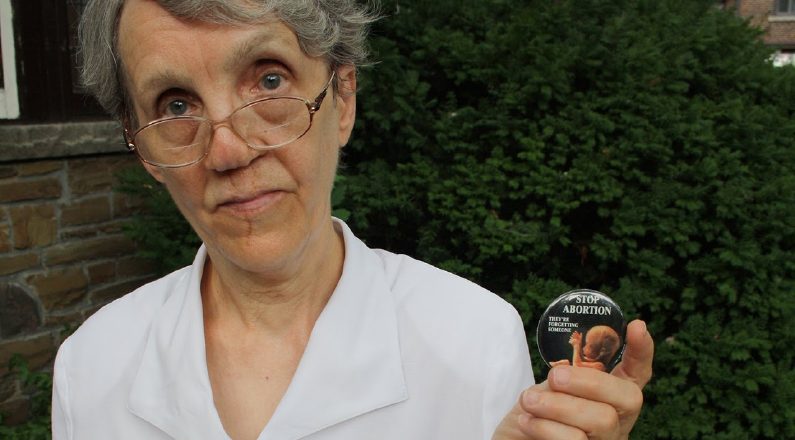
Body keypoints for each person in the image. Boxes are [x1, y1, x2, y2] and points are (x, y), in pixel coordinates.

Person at [52, 1, 654, 439]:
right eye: (177, 105)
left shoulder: (474, 341)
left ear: (342, 98)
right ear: (142, 147)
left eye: (269, 79)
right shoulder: (92, 369)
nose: (228, 151)